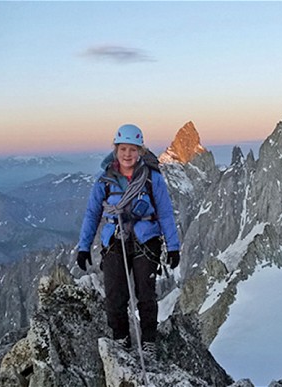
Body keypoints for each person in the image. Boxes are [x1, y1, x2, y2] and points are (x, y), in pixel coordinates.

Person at [76, 123, 180, 358]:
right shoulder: (105, 180)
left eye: (133, 149)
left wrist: (173, 247)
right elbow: (92, 214)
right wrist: (84, 247)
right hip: (115, 240)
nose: (127, 154)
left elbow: (164, 212)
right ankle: (121, 338)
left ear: (141, 151)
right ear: (116, 149)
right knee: (115, 294)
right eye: (123, 149)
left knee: (146, 294)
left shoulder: (152, 178)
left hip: (147, 241)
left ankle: (148, 342)